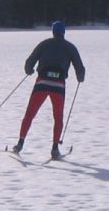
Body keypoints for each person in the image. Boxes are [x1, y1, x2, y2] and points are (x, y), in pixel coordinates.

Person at [13, 21, 85, 159]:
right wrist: (80, 77)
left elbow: (30, 62)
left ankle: (20, 142)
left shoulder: (44, 44)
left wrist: (29, 70)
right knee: (58, 117)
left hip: (42, 83)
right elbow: (80, 69)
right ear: (64, 32)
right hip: (58, 86)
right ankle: (55, 148)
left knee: (30, 114)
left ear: (53, 31)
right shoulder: (70, 47)